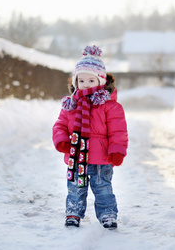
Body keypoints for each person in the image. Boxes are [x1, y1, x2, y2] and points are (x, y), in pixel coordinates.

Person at [52, 45, 128, 229]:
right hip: (77, 156)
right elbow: (60, 125)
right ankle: (73, 213)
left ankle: (108, 214)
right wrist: (62, 140)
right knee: (75, 188)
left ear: (101, 81)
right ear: (75, 82)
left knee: (103, 188)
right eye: (81, 80)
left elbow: (118, 132)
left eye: (91, 80)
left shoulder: (110, 106)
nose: (85, 84)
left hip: (101, 159)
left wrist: (117, 151)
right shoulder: (71, 105)